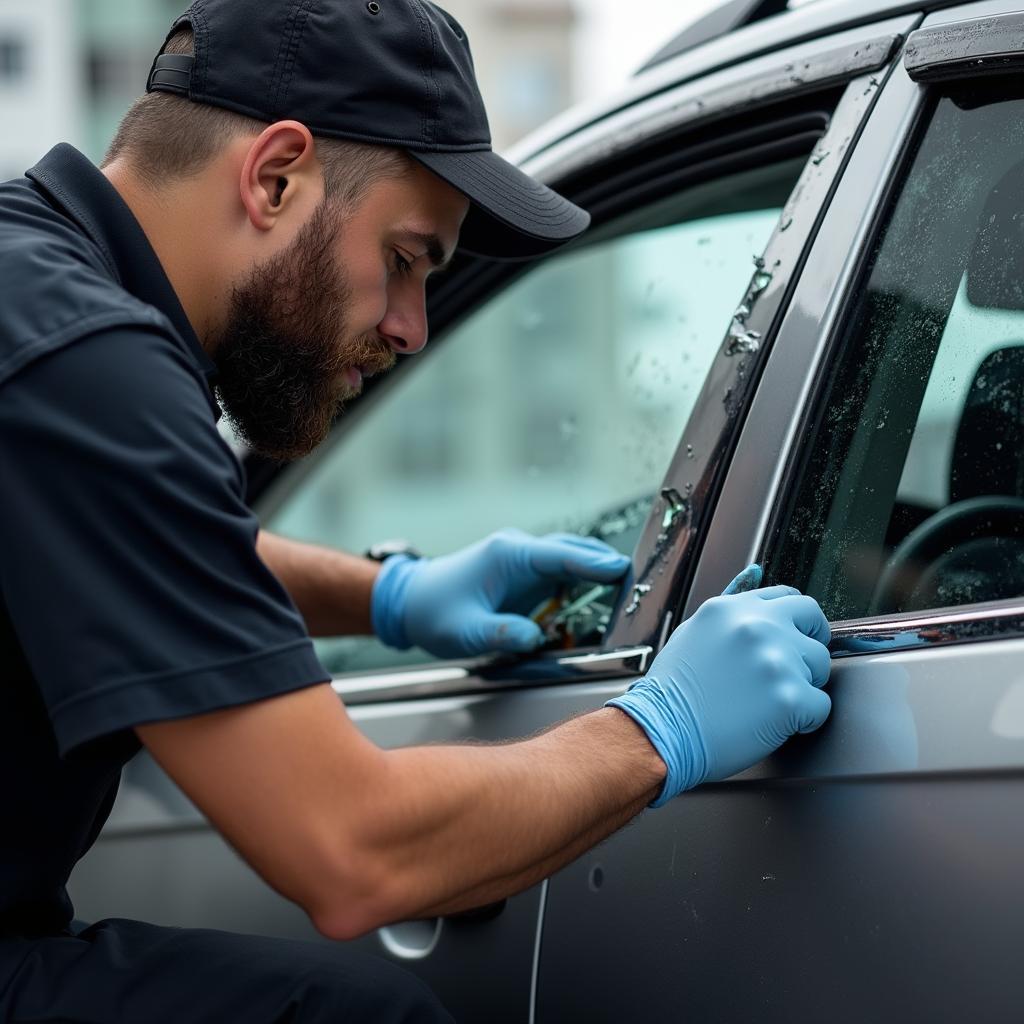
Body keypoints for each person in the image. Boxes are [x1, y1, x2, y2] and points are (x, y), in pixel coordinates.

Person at [0, 1, 833, 1020]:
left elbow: (132, 545)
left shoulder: (37, 297)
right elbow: (352, 850)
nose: (412, 328)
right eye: (405, 258)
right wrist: (660, 727)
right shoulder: (83, 363)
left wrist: (391, 596)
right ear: (273, 176)